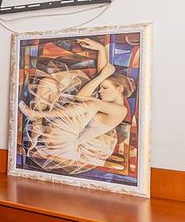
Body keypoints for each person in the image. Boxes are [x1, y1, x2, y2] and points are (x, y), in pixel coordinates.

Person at [18, 37, 135, 174]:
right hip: (63, 128)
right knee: (47, 83)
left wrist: (101, 77)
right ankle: (37, 125)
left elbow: (80, 98)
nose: (100, 91)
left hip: (67, 144)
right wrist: (100, 48)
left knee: (91, 104)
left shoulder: (120, 110)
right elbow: (104, 71)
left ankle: (38, 115)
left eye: (104, 88)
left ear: (120, 89)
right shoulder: (108, 101)